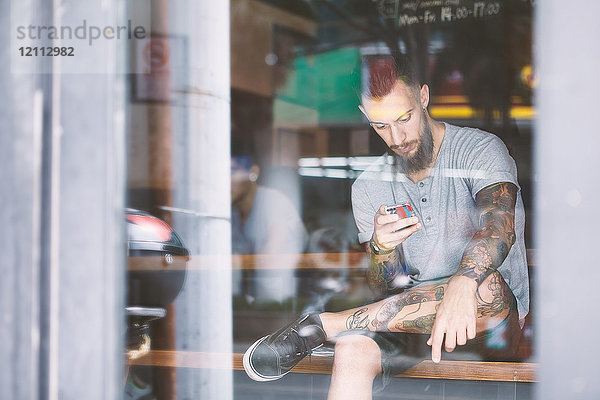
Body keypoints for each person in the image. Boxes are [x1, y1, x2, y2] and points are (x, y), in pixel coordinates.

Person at [242, 56, 529, 399]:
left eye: (404, 118)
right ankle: (329, 328)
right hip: (403, 322)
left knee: (487, 285)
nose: (396, 136)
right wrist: (381, 247)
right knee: (352, 350)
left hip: (488, 322)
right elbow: (386, 285)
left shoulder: (480, 150)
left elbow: (499, 226)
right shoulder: (368, 186)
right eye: (380, 126)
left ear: (423, 97)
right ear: (366, 116)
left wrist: (462, 282)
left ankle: (322, 326)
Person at [231, 149, 307, 303]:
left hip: (283, 302)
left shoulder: (273, 201)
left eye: (233, 171)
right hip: (249, 300)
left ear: (253, 172)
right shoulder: (231, 212)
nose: (226, 180)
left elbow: (272, 256)